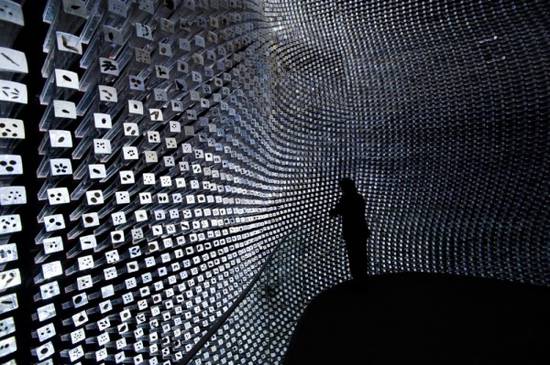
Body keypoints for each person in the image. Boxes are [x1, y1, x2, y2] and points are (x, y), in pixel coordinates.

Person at [329, 178, 370, 280]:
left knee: (354, 257)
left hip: (351, 232)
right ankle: (363, 279)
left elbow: (338, 211)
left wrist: (334, 211)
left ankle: (358, 280)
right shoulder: (359, 198)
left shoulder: (346, 199)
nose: (341, 189)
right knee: (361, 256)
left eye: (342, 187)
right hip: (361, 231)